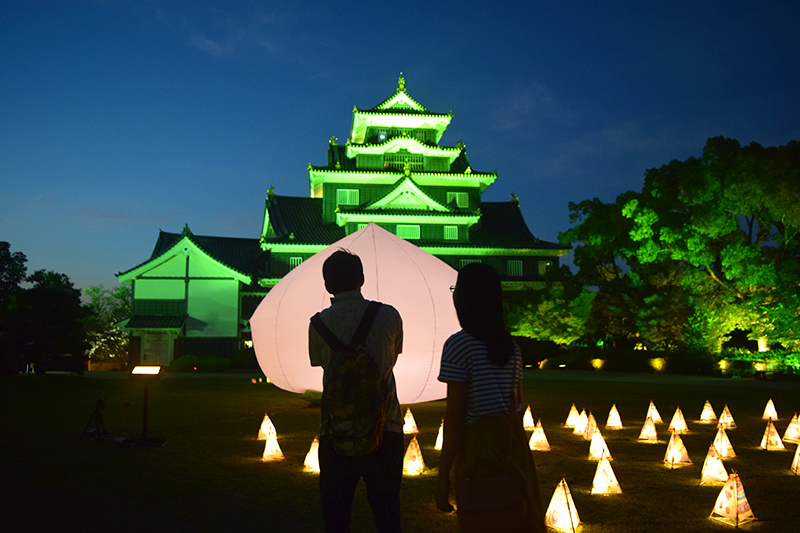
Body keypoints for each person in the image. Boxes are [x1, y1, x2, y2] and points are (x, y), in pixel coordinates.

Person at [435, 262, 545, 533]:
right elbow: (517, 405)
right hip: (513, 445)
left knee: (483, 513)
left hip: (478, 448)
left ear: (464, 298)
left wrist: (443, 473)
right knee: (514, 514)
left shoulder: (459, 345)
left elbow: (456, 415)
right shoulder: (511, 347)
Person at [309, 249, 404, 533]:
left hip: (336, 431)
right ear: (362, 278)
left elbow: (320, 364)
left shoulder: (317, 324)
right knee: (387, 515)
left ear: (327, 285)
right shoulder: (389, 315)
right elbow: (391, 359)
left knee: (336, 518)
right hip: (385, 427)